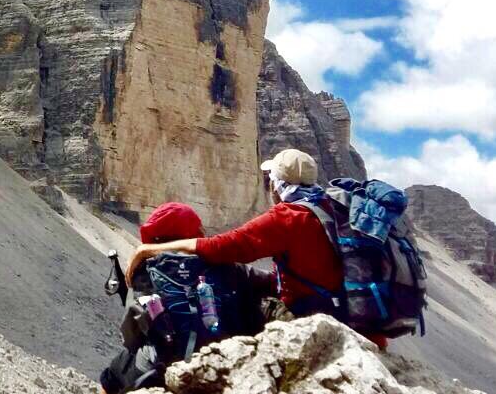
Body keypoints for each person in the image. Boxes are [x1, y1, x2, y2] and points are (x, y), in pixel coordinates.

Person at [125, 148, 392, 349]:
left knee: (236, 303)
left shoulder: (289, 217)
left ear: (278, 184)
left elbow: (221, 246)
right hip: (360, 320)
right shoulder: (333, 207)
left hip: (318, 320)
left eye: (271, 180)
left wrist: (148, 250)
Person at [69, 201, 273, 394]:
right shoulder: (230, 265)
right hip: (230, 363)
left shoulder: (146, 269)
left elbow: (133, 331)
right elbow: (271, 287)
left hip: (165, 368)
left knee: (114, 371)